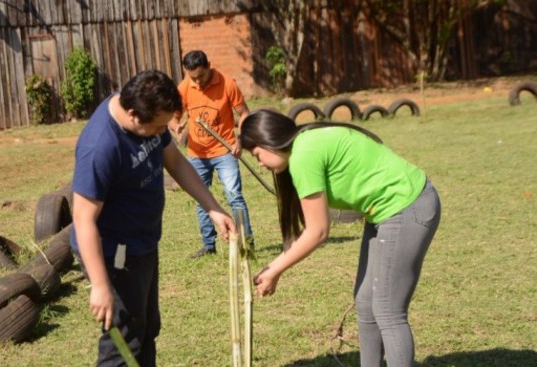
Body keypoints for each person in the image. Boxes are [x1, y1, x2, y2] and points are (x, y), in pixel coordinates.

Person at [239, 109, 441, 367]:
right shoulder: (305, 142)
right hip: (383, 212)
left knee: (388, 311)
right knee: (366, 303)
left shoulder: (303, 155)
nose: (259, 164)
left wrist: (274, 270)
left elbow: (318, 231)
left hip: (406, 206)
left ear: (269, 141)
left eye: (256, 155)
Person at [70, 70, 235, 366]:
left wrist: (213, 207)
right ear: (133, 115)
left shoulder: (149, 116)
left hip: (143, 243)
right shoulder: (101, 147)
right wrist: (100, 284)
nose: (163, 133)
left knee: (147, 328)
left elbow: (175, 162)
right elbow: (83, 219)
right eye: (159, 127)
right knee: (123, 340)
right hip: (115, 254)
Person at [169, 50, 254, 259]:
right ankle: (209, 245)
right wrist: (175, 127)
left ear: (209, 66)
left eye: (201, 76)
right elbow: (173, 116)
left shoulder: (227, 83)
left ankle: (246, 242)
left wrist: (240, 140)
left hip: (224, 150)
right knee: (201, 198)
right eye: (192, 77)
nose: (197, 82)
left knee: (234, 196)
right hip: (197, 153)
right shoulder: (185, 87)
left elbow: (244, 113)